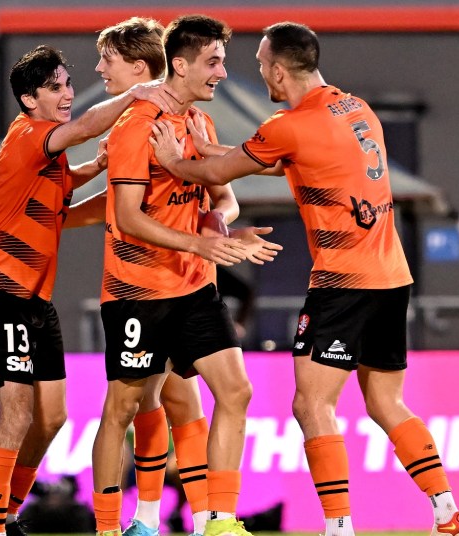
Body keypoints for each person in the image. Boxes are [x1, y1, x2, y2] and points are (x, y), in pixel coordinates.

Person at [149, 21, 459, 536]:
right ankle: (447, 511)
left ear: (279, 71)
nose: (259, 73)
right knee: (386, 402)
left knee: (311, 404)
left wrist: (172, 159)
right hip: (392, 277)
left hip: (342, 283)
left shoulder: (289, 125)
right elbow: (284, 163)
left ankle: (339, 527)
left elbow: (218, 176)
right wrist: (209, 149)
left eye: (261, 64)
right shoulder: (356, 109)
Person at [0, 44, 181, 536]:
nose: (67, 94)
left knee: (51, 418)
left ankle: (7, 515)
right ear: (28, 99)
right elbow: (83, 127)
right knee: (16, 416)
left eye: (67, 84)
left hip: (35, 301)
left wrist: (102, 169)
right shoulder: (27, 135)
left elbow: (63, 191)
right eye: (55, 88)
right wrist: (139, 93)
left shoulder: (48, 157)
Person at [91, 15, 281, 536]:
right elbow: (127, 217)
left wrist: (219, 226)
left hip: (195, 286)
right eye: (213, 62)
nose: (223, 72)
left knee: (235, 392)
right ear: (180, 64)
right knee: (124, 407)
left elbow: (225, 197)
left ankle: (218, 521)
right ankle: (109, 527)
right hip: (138, 292)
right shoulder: (136, 126)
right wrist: (201, 242)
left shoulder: (200, 124)